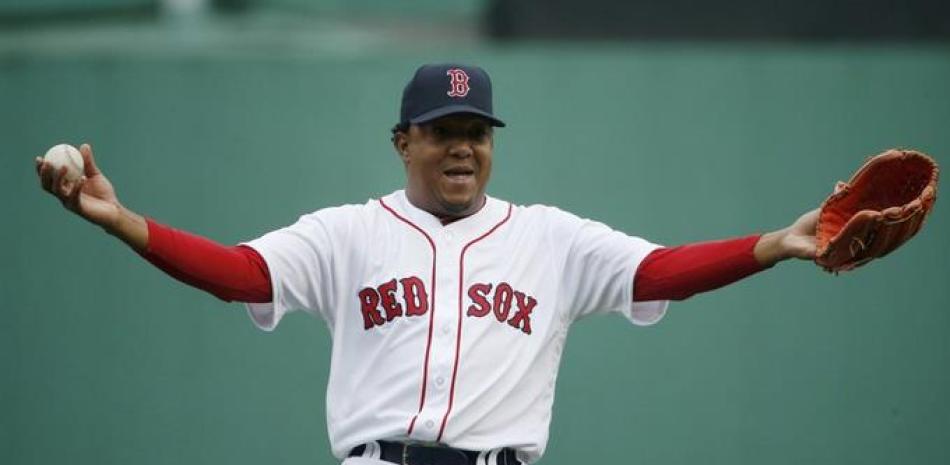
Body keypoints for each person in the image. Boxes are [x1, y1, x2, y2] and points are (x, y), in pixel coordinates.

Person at [35, 63, 818, 465]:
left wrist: (773, 245)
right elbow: (240, 273)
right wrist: (123, 223)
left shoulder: (551, 238)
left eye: (477, 129)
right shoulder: (345, 232)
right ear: (403, 141)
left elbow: (658, 271)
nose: (463, 147)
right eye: (444, 129)